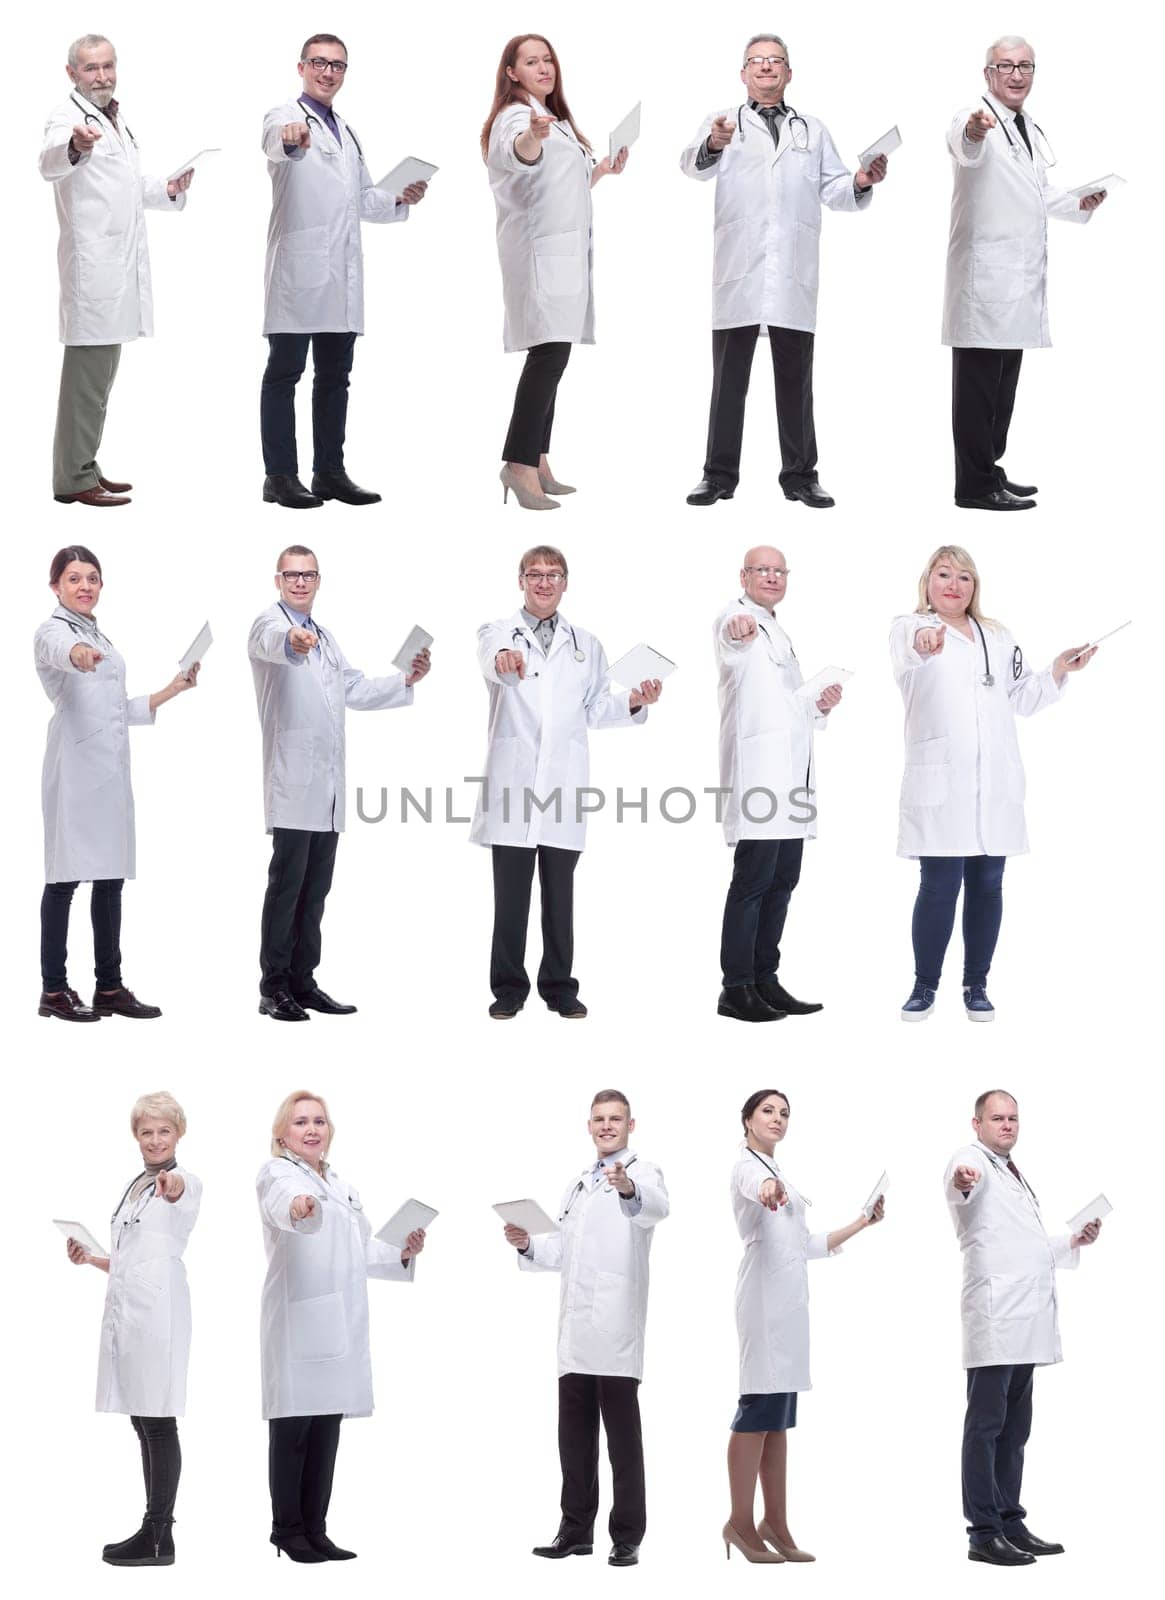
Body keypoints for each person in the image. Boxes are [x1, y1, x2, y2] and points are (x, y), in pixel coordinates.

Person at [680, 35, 887, 509]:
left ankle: (800, 477)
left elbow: (834, 189)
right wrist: (713, 143)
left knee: (796, 381)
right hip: (741, 272)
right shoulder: (724, 124)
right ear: (743, 74)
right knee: (728, 382)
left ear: (789, 73)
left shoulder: (811, 130)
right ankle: (717, 476)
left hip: (791, 273)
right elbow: (692, 167)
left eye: (776, 61)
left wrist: (860, 181)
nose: (767, 68)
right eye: (757, 61)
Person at [891, 546, 1095, 1022]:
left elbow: (1020, 698)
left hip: (994, 783)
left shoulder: (997, 636)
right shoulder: (909, 627)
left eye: (964, 577)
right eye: (943, 574)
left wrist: (1060, 670)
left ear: (974, 587)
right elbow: (913, 651)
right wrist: (926, 641)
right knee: (938, 886)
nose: (953, 584)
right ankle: (925, 985)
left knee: (988, 885)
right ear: (927, 582)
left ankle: (976, 984)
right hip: (941, 784)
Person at [470, 545, 662, 1018]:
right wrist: (505, 660)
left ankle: (559, 987)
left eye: (553, 575)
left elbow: (596, 708)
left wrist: (635, 700)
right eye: (534, 574)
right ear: (520, 581)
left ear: (565, 583)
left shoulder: (586, 644)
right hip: (514, 786)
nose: (543, 583)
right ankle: (508, 990)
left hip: (563, 786)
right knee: (510, 903)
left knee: (560, 899)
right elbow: (492, 660)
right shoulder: (497, 632)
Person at [249, 545, 430, 1019]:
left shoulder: (325, 636)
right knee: (286, 887)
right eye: (291, 576)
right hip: (293, 782)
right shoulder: (271, 624)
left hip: (326, 789)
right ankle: (274, 988)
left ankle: (304, 982)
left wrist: (405, 678)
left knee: (316, 891)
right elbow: (274, 643)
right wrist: (292, 639)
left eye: (308, 575)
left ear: (318, 580)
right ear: (278, 581)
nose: (300, 583)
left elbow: (353, 688)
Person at [260, 34, 429, 509]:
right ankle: (279, 476)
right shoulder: (285, 116)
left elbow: (362, 199)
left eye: (337, 65)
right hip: (299, 270)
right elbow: (277, 144)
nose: (328, 72)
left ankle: (329, 473)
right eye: (319, 63)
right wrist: (290, 140)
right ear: (301, 67)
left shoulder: (347, 130)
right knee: (284, 373)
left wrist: (400, 197)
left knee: (336, 375)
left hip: (340, 275)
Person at [502, 1090, 669, 1567]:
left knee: (622, 1443)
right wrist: (526, 1243)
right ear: (589, 1125)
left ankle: (627, 1536)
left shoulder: (642, 1172)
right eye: (599, 1119)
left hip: (615, 1329)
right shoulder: (577, 1183)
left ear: (631, 1125)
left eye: (616, 1119)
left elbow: (656, 1207)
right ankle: (574, 1530)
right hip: (574, 1336)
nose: (607, 1126)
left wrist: (627, 1188)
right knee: (573, 1441)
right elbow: (561, 1253)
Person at [258, 1090, 426, 1562]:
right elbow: (285, 1205)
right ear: (282, 1133)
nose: (312, 1129)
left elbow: (362, 1250)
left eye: (319, 1121)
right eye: (300, 1122)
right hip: (299, 1321)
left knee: (327, 1429)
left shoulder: (342, 1186)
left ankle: (316, 1528)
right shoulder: (278, 1174)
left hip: (337, 1325)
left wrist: (404, 1251)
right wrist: (300, 1209)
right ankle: (287, 1532)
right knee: (293, 1431)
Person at [36, 546, 200, 1021]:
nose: (85, 586)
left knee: (109, 882)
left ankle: (108, 987)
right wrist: (79, 654)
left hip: (108, 776)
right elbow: (62, 653)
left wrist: (174, 688)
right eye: (73, 579)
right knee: (63, 880)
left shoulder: (96, 632)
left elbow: (115, 710)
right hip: (74, 773)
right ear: (56, 587)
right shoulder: (55, 632)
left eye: (92, 578)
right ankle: (53, 988)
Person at [943, 37, 1107, 510]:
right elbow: (964, 145)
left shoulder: (1025, 126)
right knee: (976, 392)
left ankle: (989, 471)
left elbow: (1036, 192)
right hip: (983, 283)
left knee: (1001, 390)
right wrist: (975, 130)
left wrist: (1079, 201)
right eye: (1006, 66)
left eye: (1025, 66)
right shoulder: (971, 115)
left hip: (1015, 285)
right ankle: (973, 488)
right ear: (988, 73)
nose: (1017, 75)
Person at [725, 1089, 883, 1563]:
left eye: (785, 1113)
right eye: (768, 1111)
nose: (778, 1118)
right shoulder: (749, 1167)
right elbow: (756, 1186)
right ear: (748, 1120)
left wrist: (862, 1222)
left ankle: (775, 1521)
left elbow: (804, 1243)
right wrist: (767, 1191)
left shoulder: (778, 1172)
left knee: (778, 1420)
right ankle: (738, 1523)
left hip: (789, 1310)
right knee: (756, 1411)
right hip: (763, 1304)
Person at [945, 1090, 1103, 1565]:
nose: (1008, 1125)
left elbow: (1023, 1244)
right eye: (997, 1118)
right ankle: (983, 1533)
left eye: (1013, 1118)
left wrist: (1072, 1239)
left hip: (1023, 1323)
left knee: (1015, 1431)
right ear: (977, 1124)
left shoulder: (1011, 1170)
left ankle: (1010, 1521)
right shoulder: (970, 1159)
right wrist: (963, 1180)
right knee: (986, 1428)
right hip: (996, 1321)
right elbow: (960, 1184)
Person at [40, 34, 193, 507]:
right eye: (91, 69)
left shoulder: (114, 116)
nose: (102, 76)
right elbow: (48, 162)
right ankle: (72, 478)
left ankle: (86, 464)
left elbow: (125, 185)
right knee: (85, 384)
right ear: (72, 73)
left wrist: (166, 188)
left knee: (100, 381)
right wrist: (74, 144)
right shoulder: (67, 119)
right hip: (94, 271)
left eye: (107, 66)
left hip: (116, 270)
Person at [482, 35, 629, 509]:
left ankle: (538, 458)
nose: (544, 68)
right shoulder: (516, 118)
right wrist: (533, 137)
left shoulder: (556, 121)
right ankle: (518, 464)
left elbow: (561, 182)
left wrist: (601, 169)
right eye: (531, 61)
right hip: (538, 255)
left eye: (547, 60)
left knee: (554, 356)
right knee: (547, 357)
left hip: (561, 253)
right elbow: (518, 155)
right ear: (512, 72)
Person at [64, 1091, 202, 1567]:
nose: (155, 1139)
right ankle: (152, 1530)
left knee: (159, 1422)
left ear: (178, 1134)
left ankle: (160, 1535)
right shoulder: (136, 1185)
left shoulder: (181, 1181)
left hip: (159, 1315)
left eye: (165, 1131)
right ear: (136, 1137)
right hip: (134, 1312)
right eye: (147, 1131)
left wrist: (173, 1185)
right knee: (142, 1422)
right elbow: (130, 1261)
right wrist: (93, 1258)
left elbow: (180, 1190)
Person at [714, 547, 842, 1022]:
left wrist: (819, 704)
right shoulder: (736, 618)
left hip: (793, 778)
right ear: (743, 575)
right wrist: (737, 629)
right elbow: (732, 640)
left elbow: (789, 705)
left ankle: (766, 978)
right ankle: (736, 988)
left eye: (778, 570)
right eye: (761, 570)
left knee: (784, 881)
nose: (771, 577)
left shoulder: (779, 629)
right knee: (752, 883)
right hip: (760, 777)